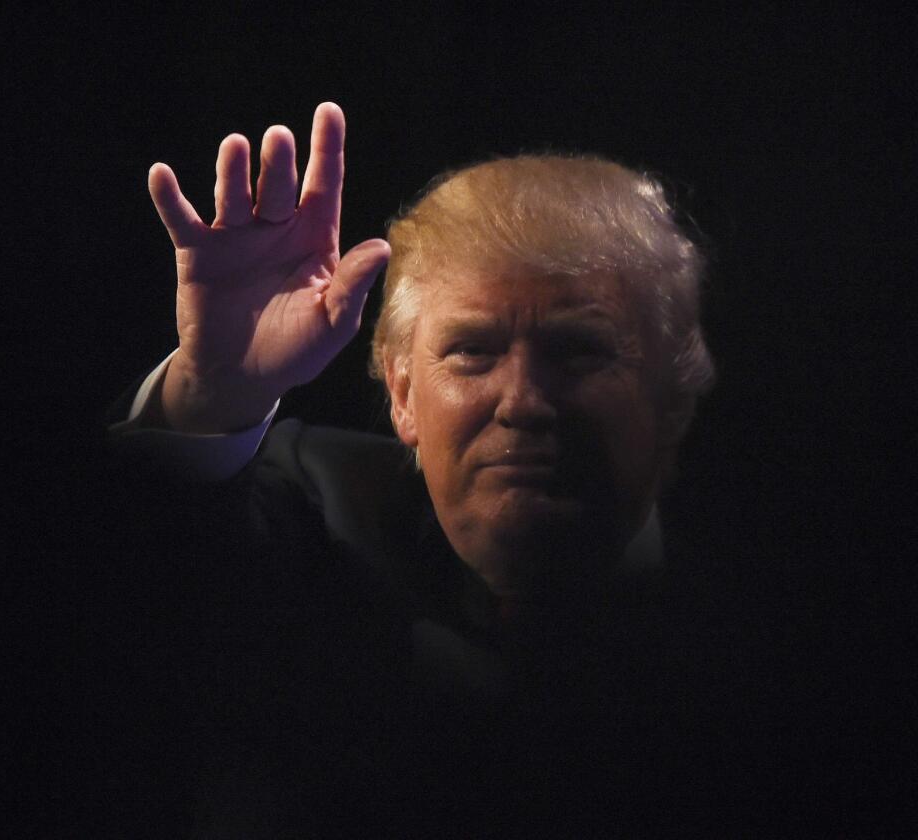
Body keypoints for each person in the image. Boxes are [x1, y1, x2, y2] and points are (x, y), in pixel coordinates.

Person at [104, 103, 770, 836]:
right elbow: (114, 594)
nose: (522, 403)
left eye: (578, 351)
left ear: (674, 394)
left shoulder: (796, 611)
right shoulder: (310, 508)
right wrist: (216, 393)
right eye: (472, 351)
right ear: (401, 396)